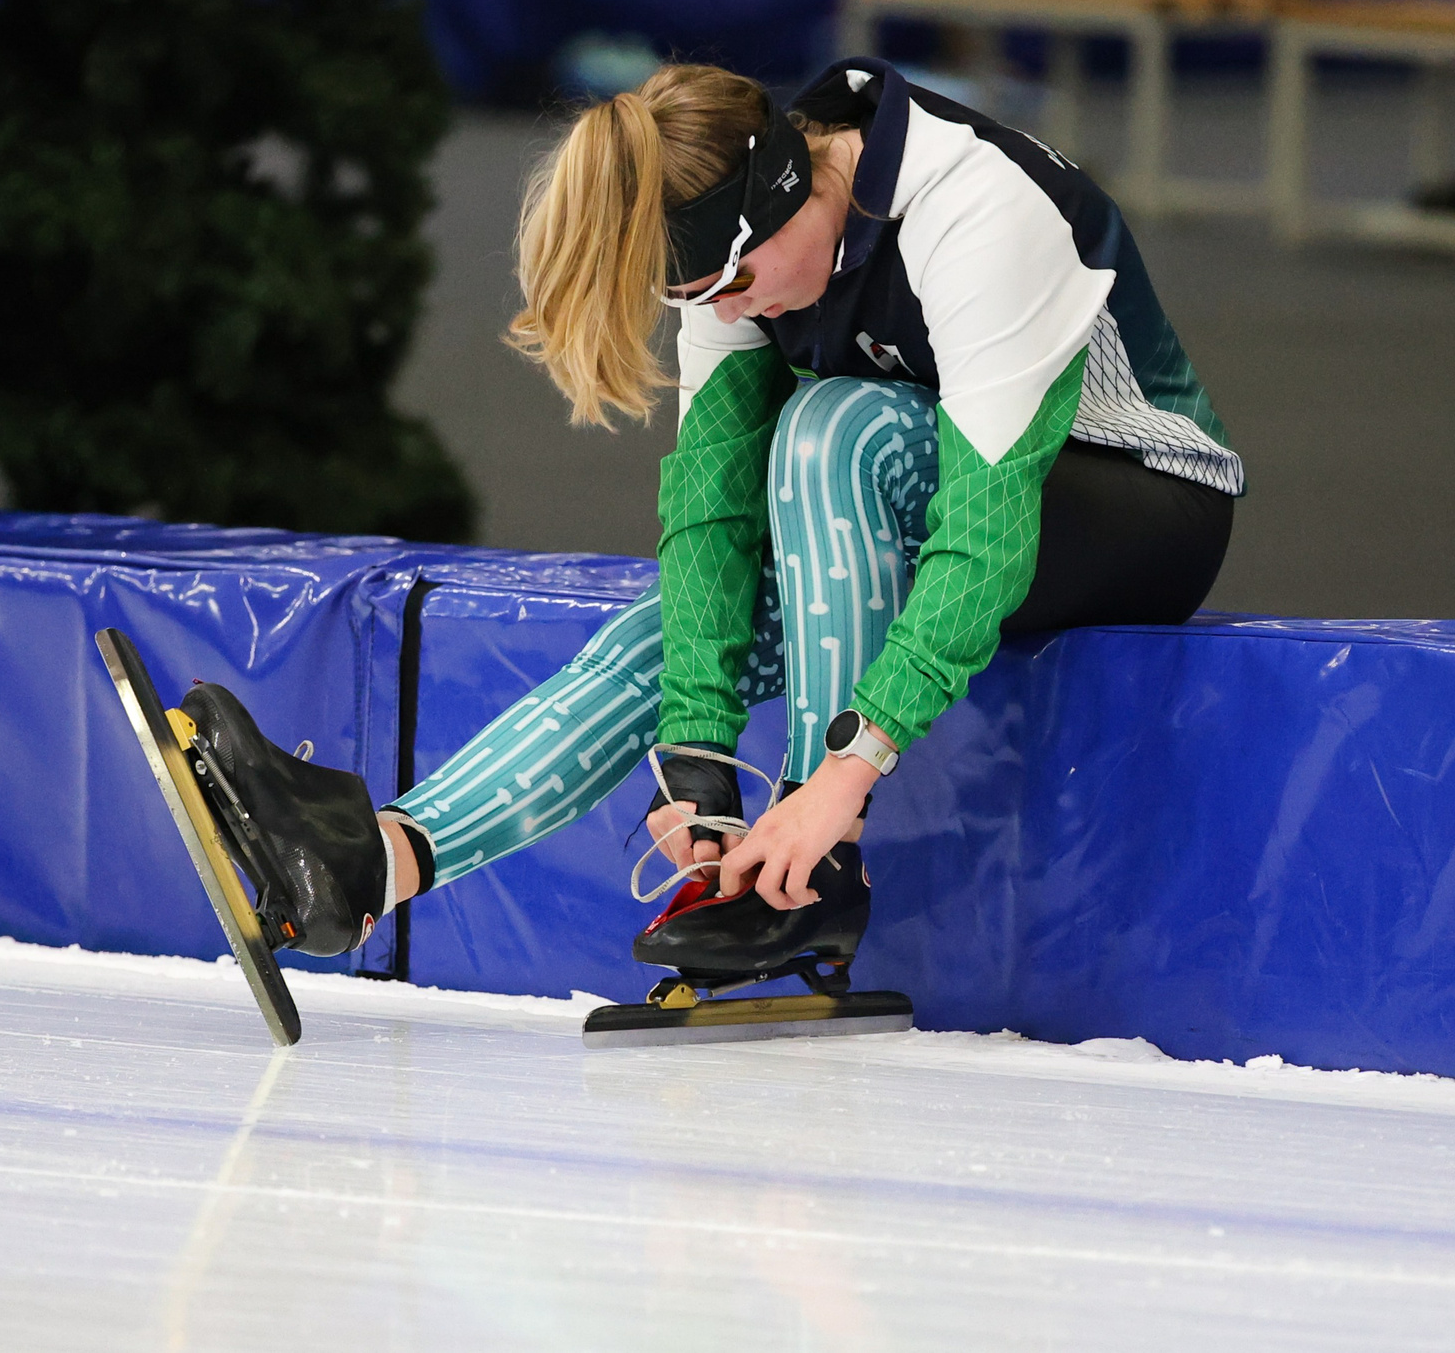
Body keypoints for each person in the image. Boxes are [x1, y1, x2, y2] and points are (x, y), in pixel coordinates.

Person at [174, 58, 1242, 1010]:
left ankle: (816, 873)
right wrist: (696, 753)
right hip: (935, 501)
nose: (734, 309)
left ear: (794, 188)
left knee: (831, 426)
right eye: (703, 295)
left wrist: (838, 781)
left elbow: (981, 538)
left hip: (1140, 503)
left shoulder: (974, 208)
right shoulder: (736, 239)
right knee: (668, 626)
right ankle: (378, 861)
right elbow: (711, 523)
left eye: (737, 281)